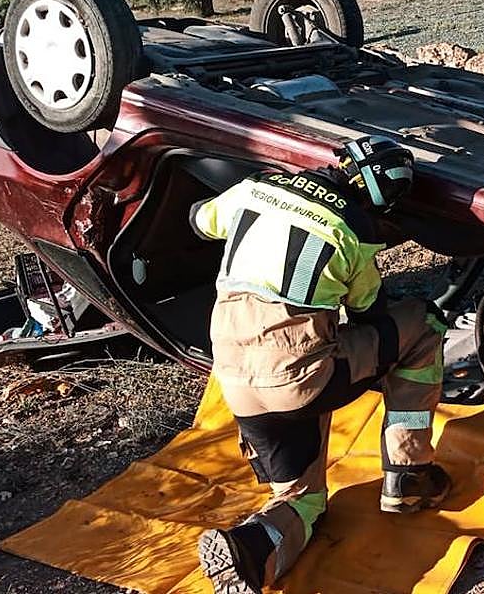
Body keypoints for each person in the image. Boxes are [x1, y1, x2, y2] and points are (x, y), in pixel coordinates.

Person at [191, 135, 451, 594]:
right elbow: (372, 313)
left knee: (304, 501)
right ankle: (408, 474)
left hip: (234, 379)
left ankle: (253, 548)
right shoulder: (354, 233)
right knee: (421, 325)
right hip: (303, 379)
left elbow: (200, 220)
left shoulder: (256, 189)